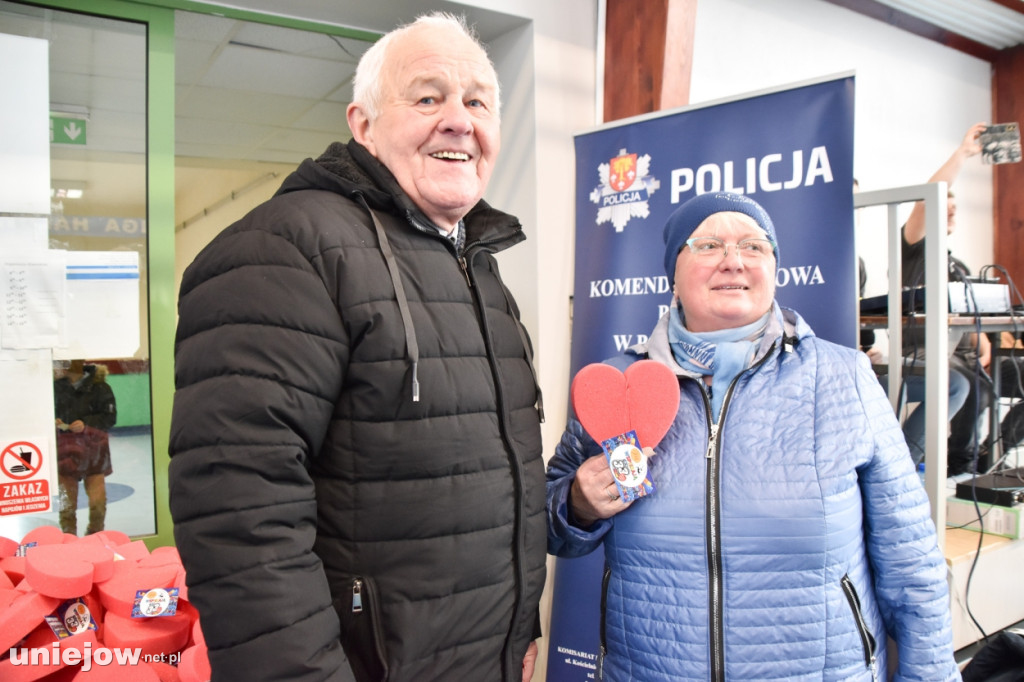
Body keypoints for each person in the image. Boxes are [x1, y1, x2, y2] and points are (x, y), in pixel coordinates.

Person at [168, 13, 546, 682]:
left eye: (477, 101)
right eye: (428, 97)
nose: (458, 119)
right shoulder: (283, 251)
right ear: (363, 123)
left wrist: (518, 630)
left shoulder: (477, 267)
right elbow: (241, 517)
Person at [546, 192, 959, 680]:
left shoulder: (842, 377)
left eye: (754, 246)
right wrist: (578, 503)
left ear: (775, 269)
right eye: (707, 245)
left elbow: (912, 564)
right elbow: (546, 523)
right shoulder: (618, 386)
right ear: (672, 275)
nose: (733, 261)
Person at [900, 122, 1023, 474]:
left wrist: (982, 337)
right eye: (945, 205)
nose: (951, 210)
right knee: (966, 385)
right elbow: (928, 197)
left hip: (968, 355)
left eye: (954, 207)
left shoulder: (957, 264)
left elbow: (969, 314)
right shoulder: (914, 251)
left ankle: (989, 453)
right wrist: (964, 153)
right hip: (929, 353)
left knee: (996, 379)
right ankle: (957, 464)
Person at [53, 359, 116, 535]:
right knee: (67, 507)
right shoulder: (54, 387)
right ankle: (69, 540)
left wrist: (86, 424)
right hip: (64, 451)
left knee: (98, 504)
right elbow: (43, 412)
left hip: (93, 451)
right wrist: (53, 420)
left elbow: (110, 418)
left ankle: (94, 537)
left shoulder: (101, 387)